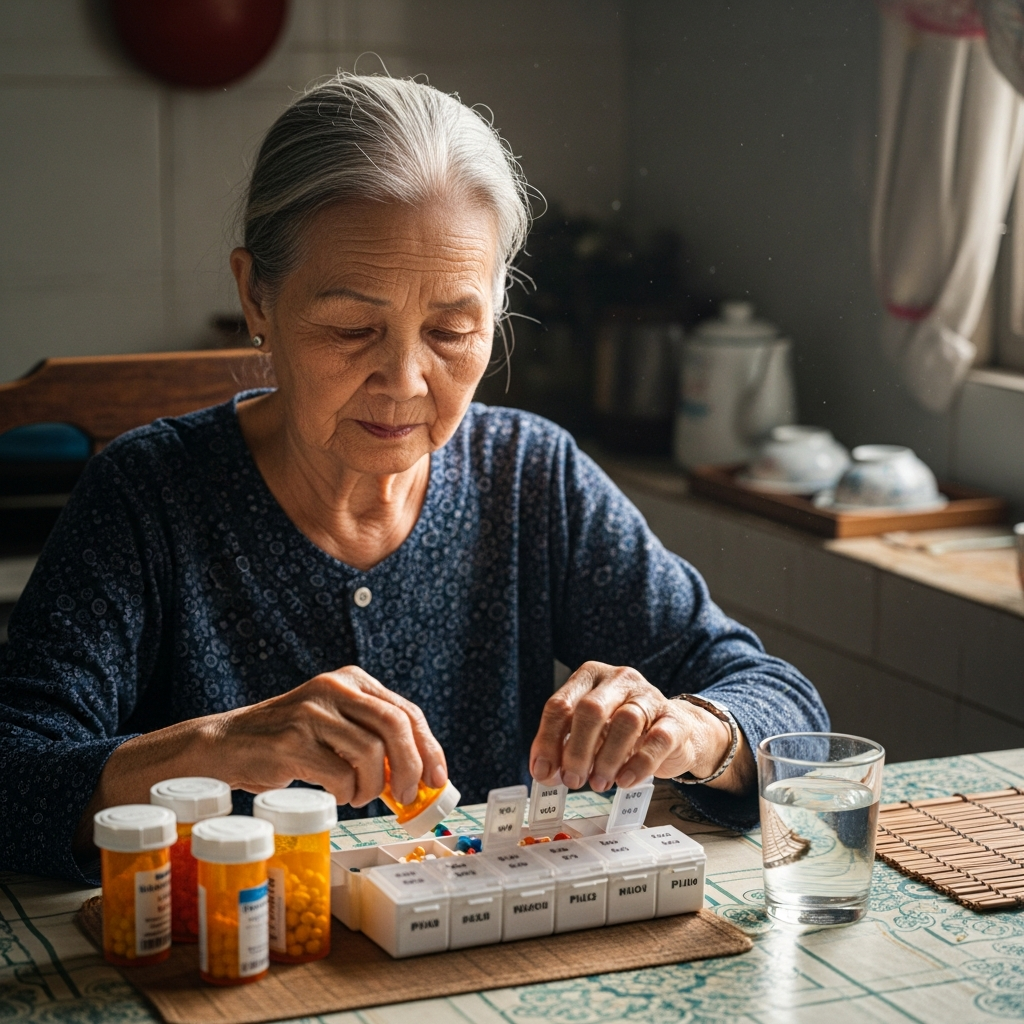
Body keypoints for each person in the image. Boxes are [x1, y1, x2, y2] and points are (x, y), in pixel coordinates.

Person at [0, 74, 828, 883]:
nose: (404, 379)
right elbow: (12, 776)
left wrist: (690, 730)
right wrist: (214, 750)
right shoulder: (148, 495)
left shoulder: (531, 478)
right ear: (257, 295)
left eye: (451, 329)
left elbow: (784, 706)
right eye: (354, 328)